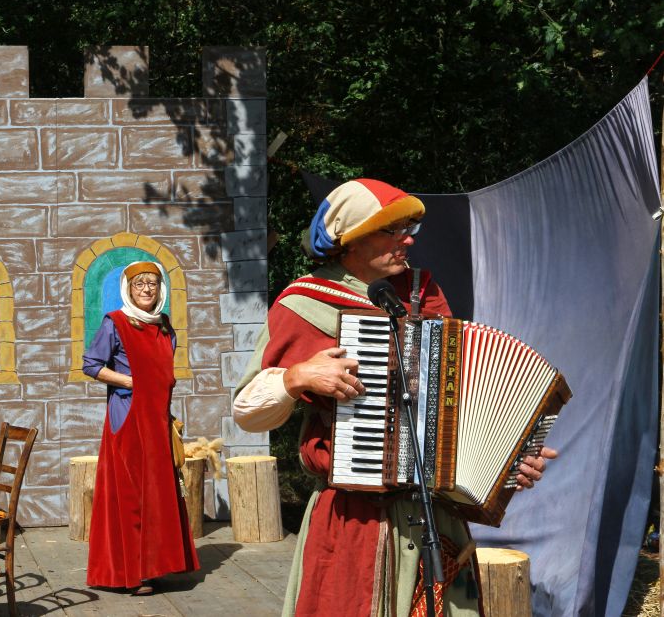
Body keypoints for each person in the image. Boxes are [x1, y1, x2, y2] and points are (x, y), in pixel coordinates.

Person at [233, 178, 557, 616]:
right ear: (351, 238)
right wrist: (296, 377)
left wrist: (509, 459)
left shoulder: (424, 293)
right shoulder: (303, 304)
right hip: (354, 520)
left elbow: (458, 400)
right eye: (393, 230)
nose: (408, 240)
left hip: (436, 521)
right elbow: (247, 411)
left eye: (410, 229)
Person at [82, 260, 200, 594]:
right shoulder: (116, 323)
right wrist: (132, 382)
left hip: (157, 421)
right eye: (140, 283)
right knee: (132, 495)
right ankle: (134, 574)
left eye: (153, 283)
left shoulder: (164, 327)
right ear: (128, 289)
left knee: (157, 495)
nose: (147, 289)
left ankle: (156, 566)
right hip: (129, 417)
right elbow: (91, 365)